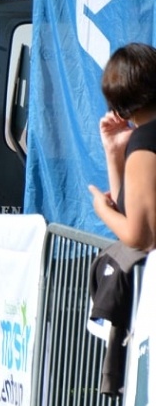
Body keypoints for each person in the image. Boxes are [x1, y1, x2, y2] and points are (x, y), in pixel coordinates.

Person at [90, 42, 156, 250]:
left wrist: (102, 210)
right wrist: (114, 152)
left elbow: (142, 237)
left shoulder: (146, 140)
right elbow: (132, 211)